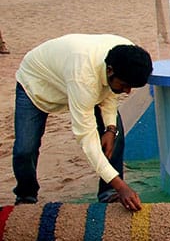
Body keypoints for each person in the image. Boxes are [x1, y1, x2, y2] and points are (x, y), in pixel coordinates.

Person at [12, 34, 153, 211]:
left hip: (82, 80)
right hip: (36, 85)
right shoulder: (82, 78)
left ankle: (109, 194)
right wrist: (121, 185)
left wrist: (110, 129)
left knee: (115, 136)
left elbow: (110, 93)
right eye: (125, 85)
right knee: (25, 149)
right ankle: (26, 197)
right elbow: (87, 139)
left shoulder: (127, 54)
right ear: (110, 70)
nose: (127, 91)